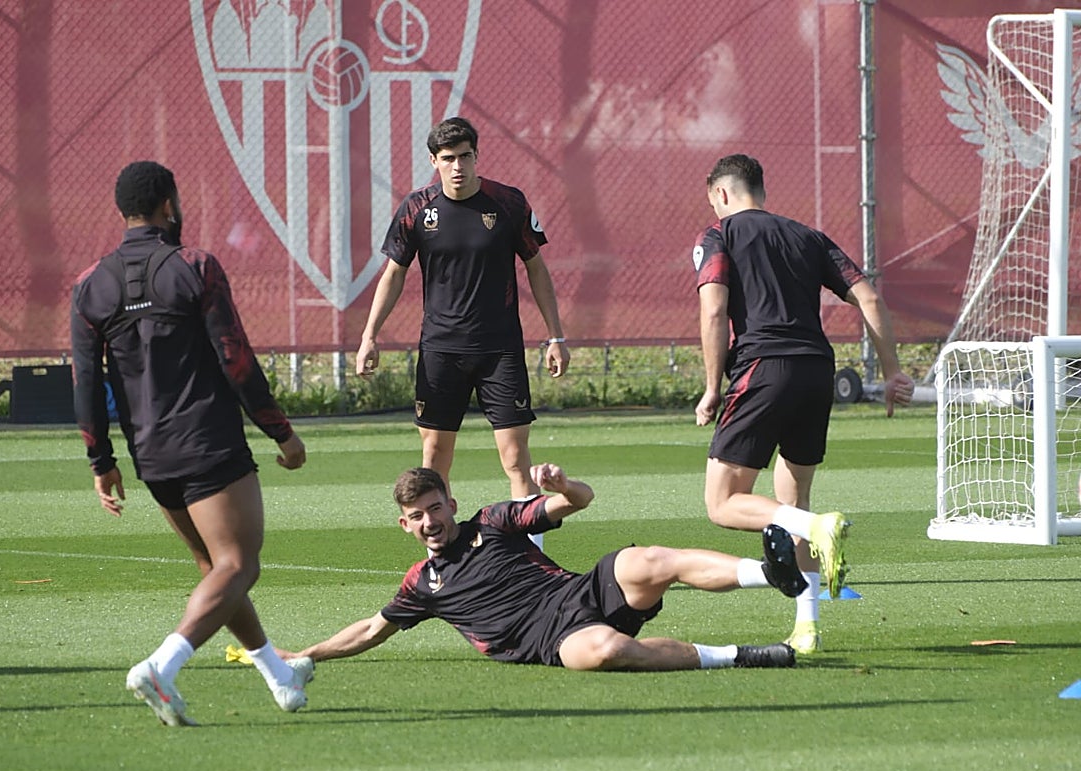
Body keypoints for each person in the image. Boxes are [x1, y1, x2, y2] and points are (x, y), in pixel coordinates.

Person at [70, 160, 315, 726]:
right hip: (208, 441)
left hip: (150, 453)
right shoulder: (195, 266)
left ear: (122, 210)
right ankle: (162, 666)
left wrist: (101, 460)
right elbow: (236, 359)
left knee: (214, 567)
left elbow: (84, 383)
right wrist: (281, 431)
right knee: (239, 564)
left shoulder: (89, 284)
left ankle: (279, 676)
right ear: (169, 205)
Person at [693, 153, 915, 654]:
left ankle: (815, 528)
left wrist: (710, 387)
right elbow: (869, 298)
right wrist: (892, 371)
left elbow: (714, 310)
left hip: (762, 368)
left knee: (722, 503)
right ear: (761, 191)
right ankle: (807, 626)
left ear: (721, 194)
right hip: (817, 370)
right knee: (793, 501)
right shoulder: (807, 236)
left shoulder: (719, 235)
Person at [276, 463, 803, 672]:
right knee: (605, 652)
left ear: (451, 505)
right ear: (405, 525)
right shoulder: (423, 584)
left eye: (435, 509)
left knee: (649, 560)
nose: (430, 522)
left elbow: (580, 501)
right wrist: (306, 653)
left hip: (580, 593)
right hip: (550, 641)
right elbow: (371, 630)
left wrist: (564, 486)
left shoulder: (493, 520)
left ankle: (769, 573)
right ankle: (740, 656)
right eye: (417, 516)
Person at [355, 116, 569, 544]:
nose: (458, 166)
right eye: (449, 158)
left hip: (500, 350)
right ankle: (441, 555)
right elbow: (394, 274)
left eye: (465, 157)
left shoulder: (508, 203)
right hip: (440, 350)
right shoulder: (417, 208)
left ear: (477, 156)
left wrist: (556, 336)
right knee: (435, 458)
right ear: (433, 161)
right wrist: (369, 336)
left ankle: (531, 557)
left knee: (515, 457)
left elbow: (537, 269)